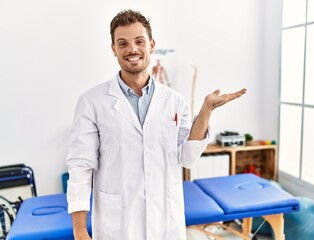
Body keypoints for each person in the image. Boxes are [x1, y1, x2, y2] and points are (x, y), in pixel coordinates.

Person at [66, 9, 247, 240]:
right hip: (118, 225)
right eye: (123, 43)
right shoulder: (91, 101)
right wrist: (79, 230)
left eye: (139, 41)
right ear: (113, 49)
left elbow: (186, 157)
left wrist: (206, 111)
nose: (132, 49)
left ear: (151, 44)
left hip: (165, 221)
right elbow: (80, 168)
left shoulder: (174, 100)